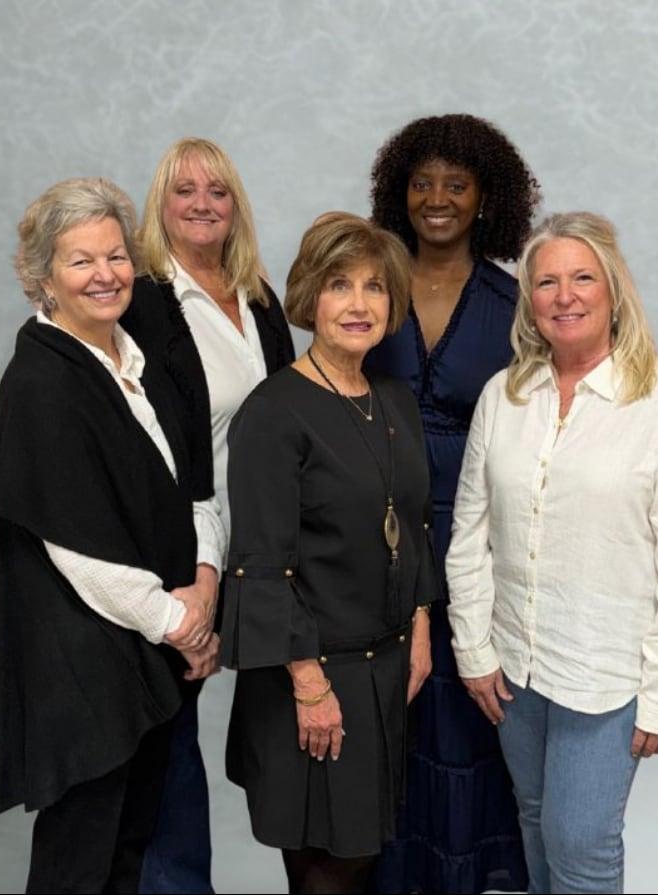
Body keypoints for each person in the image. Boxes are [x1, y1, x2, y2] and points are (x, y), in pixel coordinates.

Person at [446, 211, 658, 894]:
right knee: (536, 819)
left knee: (581, 844)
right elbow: (469, 535)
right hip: (515, 669)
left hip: (606, 676)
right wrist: (474, 649)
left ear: (611, 290)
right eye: (545, 281)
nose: (563, 295)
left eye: (580, 277)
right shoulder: (504, 396)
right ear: (529, 300)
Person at [0, 177, 221, 893]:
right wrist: (186, 624)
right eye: (81, 261)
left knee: (128, 849)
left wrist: (203, 583)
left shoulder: (133, 362)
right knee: (78, 862)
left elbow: (189, 487)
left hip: (143, 651)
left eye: (115, 256)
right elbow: (80, 553)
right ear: (43, 278)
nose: (105, 275)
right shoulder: (42, 383)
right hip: (84, 665)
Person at [219, 213, 440, 895]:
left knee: (360, 852)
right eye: (339, 284)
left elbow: (414, 523)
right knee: (326, 867)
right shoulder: (273, 411)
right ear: (310, 294)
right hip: (311, 675)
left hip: (385, 664)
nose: (358, 303)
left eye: (375, 287)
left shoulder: (393, 399)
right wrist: (309, 684)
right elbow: (260, 561)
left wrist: (422, 626)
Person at [363, 113, 539, 893]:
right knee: (388, 714)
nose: (436, 198)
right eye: (421, 182)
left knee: (466, 715)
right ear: (397, 191)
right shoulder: (365, 286)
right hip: (377, 532)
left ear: (484, 197)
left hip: (475, 536)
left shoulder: (515, 304)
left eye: (455, 185)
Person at [120, 137, 295, 893]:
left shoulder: (257, 296)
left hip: (270, 547)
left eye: (217, 191)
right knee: (167, 747)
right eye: (184, 189)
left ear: (236, 206)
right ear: (161, 202)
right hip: (184, 552)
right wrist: (198, 574)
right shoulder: (144, 299)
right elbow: (152, 450)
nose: (201, 203)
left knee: (298, 713)